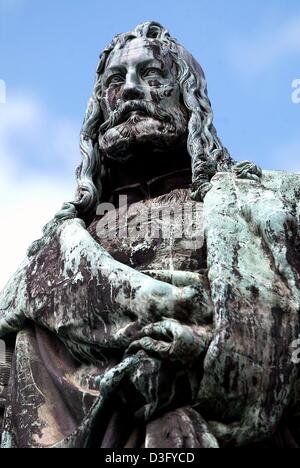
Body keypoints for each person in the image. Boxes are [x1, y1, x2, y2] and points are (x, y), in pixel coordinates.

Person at [0, 21, 299, 448]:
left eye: (153, 76)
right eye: (115, 81)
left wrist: (202, 352)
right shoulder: (53, 254)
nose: (131, 91)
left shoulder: (270, 204)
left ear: (190, 102)